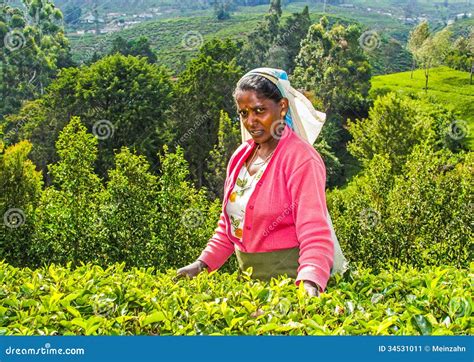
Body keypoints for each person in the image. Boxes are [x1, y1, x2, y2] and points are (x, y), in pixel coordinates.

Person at [176, 68, 347, 297]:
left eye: (259, 110)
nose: (251, 121)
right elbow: (229, 225)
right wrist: (202, 264)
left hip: (289, 285)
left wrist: (309, 282)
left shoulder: (300, 159)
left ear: (282, 107)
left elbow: (314, 230)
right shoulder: (240, 157)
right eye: (244, 113)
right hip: (250, 288)